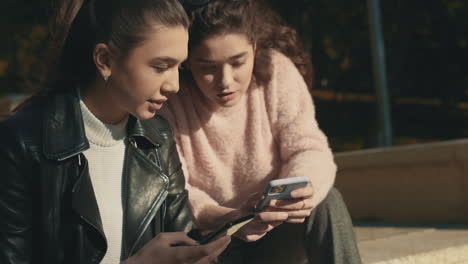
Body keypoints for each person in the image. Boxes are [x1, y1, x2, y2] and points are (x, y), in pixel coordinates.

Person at [0, 0, 231, 263]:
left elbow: (184, 241)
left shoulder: (157, 137)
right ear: (105, 60)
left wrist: (228, 227)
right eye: (160, 67)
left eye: (179, 67)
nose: (175, 86)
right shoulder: (20, 142)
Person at [160, 0, 362, 263]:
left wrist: (297, 193)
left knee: (327, 201)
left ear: (254, 48)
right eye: (208, 68)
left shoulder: (277, 71)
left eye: (238, 62)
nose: (226, 81)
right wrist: (229, 218)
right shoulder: (170, 97)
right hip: (211, 242)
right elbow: (174, 192)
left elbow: (309, 147)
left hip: (275, 232)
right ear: (187, 63)